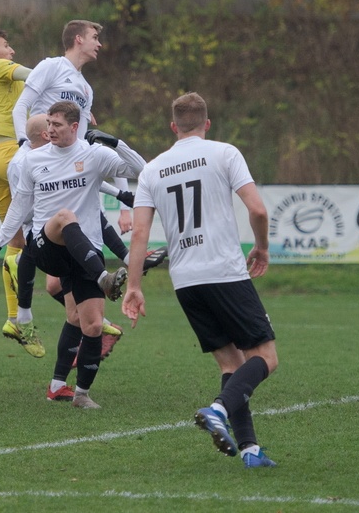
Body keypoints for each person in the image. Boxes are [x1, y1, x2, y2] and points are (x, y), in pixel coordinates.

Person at [122, 92, 279, 469]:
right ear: (207, 124)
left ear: (173, 127)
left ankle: (250, 450)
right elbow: (257, 208)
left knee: (231, 363)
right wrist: (261, 247)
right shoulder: (224, 153)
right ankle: (218, 409)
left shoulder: (152, 169)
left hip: (186, 280)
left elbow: (139, 235)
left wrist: (133, 286)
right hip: (224, 271)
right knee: (266, 358)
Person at [0, 101, 146, 409]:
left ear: (75, 127)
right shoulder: (33, 160)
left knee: (89, 325)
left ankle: (78, 393)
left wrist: (115, 142)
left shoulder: (94, 156)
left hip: (85, 253)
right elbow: (20, 206)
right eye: (48, 123)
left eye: (56, 124)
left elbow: (142, 171)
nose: (49, 129)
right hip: (47, 245)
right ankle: (104, 279)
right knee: (65, 217)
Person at [9, 19, 161, 351]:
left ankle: (85, 331)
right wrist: (24, 145)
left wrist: (123, 202)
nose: (99, 44)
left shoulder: (86, 89)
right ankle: (32, 317)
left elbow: (96, 148)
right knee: (34, 245)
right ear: (78, 39)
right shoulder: (51, 67)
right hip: (43, 168)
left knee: (57, 281)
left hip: (73, 173)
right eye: (95, 37)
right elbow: (20, 107)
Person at [0, 28, 44, 358]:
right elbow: (39, 75)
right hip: (10, 156)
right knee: (68, 201)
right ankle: (87, 292)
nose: (11, 51)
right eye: (6, 46)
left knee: (15, 241)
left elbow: (31, 96)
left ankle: (15, 319)